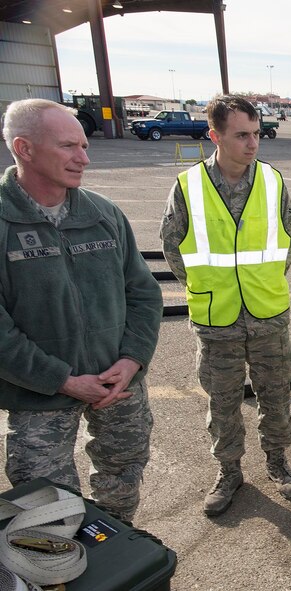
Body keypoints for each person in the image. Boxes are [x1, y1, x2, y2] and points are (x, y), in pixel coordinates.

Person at [0, 99, 162, 522]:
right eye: (69, 146)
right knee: (47, 504)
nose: (84, 158)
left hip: (118, 385)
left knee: (123, 477)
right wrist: (64, 381)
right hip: (40, 394)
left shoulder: (102, 213)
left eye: (85, 146)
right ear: (25, 148)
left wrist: (133, 359)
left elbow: (143, 293)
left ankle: (119, 548)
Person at [160, 95, 291, 517]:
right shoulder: (188, 186)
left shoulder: (273, 181)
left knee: (275, 396)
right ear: (214, 135)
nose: (253, 143)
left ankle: (277, 462)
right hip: (215, 317)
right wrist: (202, 287)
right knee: (222, 402)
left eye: (256, 134)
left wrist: (265, 282)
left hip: (268, 315)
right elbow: (173, 246)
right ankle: (229, 471)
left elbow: (289, 238)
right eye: (242, 135)